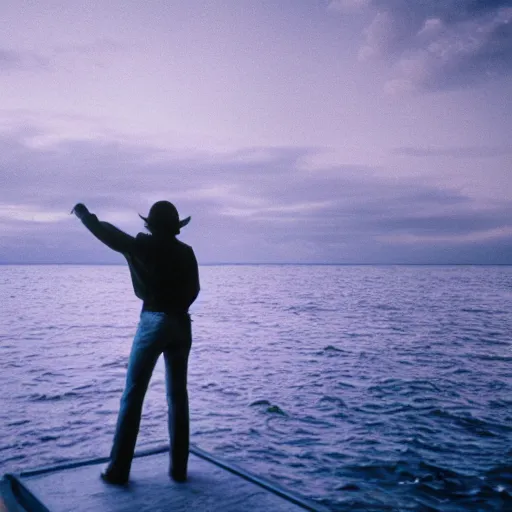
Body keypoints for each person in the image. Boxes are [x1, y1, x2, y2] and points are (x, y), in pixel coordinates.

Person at [72, 200, 200, 485]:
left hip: (153, 320)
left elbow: (107, 233)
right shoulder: (186, 252)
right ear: (176, 226)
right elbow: (194, 289)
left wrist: (84, 215)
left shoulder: (142, 247)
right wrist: (177, 309)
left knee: (133, 395)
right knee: (178, 397)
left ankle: (119, 469)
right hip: (182, 323)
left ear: (150, 225)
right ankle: (179, 470)